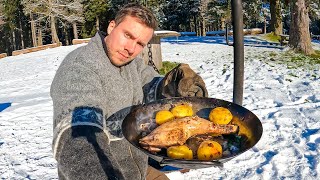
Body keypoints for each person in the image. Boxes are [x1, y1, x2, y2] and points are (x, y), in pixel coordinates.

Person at [50, 3, 208, 180]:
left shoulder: (131, 64)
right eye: (127, 35)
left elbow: (151, 86)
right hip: (107, 170)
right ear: (111, 27)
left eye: (140, 43)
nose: (131, 49)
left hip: (138, 168)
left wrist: (174, 85)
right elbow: (76, 139)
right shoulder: (80, 68)